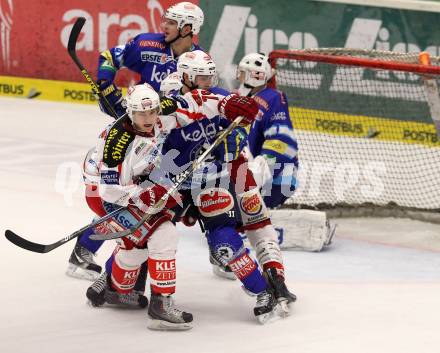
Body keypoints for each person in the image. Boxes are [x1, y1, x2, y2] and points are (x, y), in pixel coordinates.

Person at [66, 1, 205, 280]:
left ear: (188, 29)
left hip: (170, 137)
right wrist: (106, 84)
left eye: (171, 22)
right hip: (138, 133)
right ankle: (98, 258)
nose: (162, 26)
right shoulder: (147, 45)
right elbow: (109, 56)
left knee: (150, 205)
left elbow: (201, 97)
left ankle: (115, 262)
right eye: (165, 20)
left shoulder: (198, 61)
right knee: (127, 200)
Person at [159, 50, 296, 314]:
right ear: (186, 76)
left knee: (257, 222)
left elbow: (245, 112)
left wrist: (238, 132)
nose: (208, 82)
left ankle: (276, 281)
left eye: (210, 76)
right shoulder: (173, 101)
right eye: (201, 77)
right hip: (183, 179)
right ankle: (119, 281)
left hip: (231, 170)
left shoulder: (220, 95)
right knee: (152, 229)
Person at [236, 52, 336, 252]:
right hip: (256, 179)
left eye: (242, 73)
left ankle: (302, 225)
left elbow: (283, 141)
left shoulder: (273, 99)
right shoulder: (242, 99)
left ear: (252, 76)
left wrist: (261, 167)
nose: (238, 76)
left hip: (277, 179)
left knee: (234, 218)